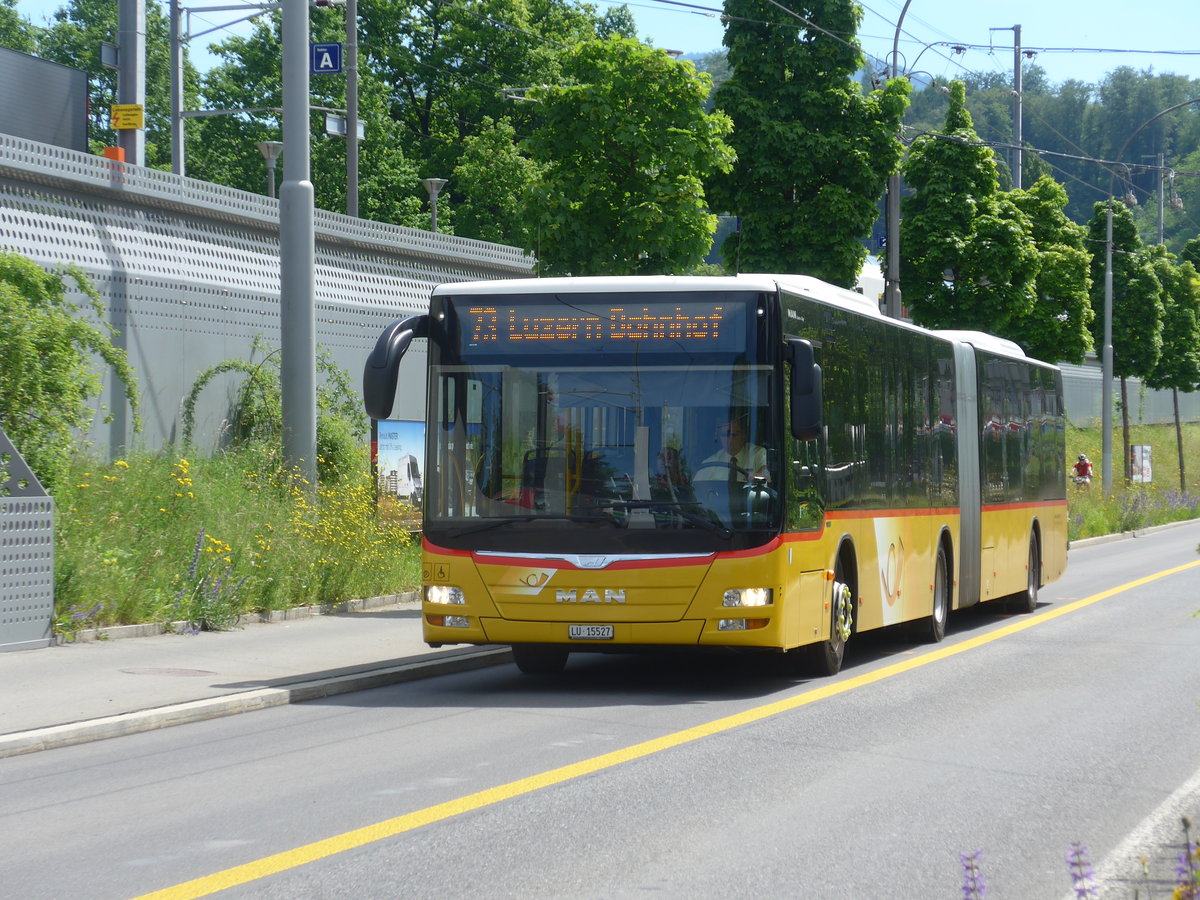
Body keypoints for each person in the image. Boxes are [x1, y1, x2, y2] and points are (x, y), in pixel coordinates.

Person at [695, 416, 770, 483]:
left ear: (743, 436)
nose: (729, 439)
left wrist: (760, 475)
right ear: (720, 437)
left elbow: (767, 473)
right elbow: (696, 488)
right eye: (724, 435)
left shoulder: (758, 453)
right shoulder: (711, 463)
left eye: (733, 435)